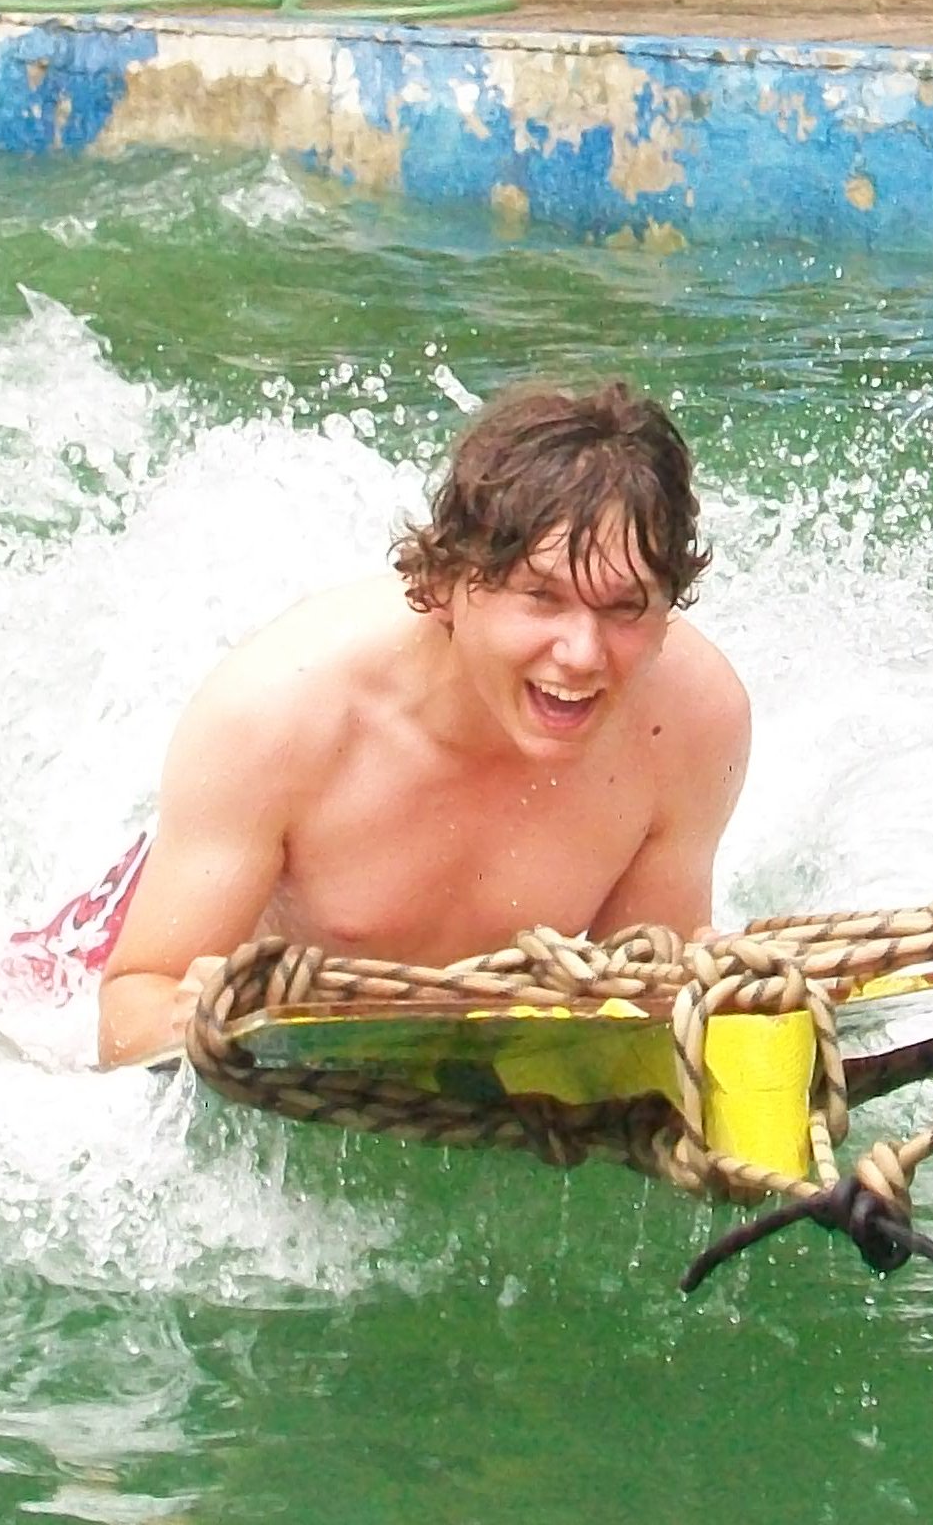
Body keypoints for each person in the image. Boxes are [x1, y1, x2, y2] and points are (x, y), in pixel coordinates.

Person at [49, 381, 750, 1067]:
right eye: (541, 598)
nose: (582, 654)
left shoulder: (690, 723)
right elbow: (125, 1019)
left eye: (625, 608)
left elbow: (638, 1000)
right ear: (444, 583)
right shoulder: (277, 716)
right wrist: (199, 1021)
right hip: (95, 955)